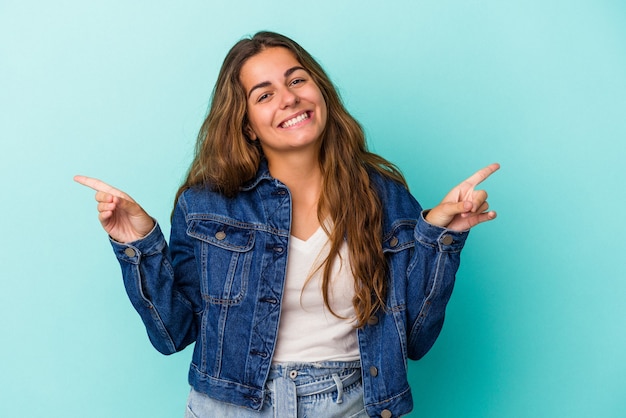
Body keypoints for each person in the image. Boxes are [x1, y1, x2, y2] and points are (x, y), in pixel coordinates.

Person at [75, 31, 499, 418]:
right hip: (229, 407)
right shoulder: (206, 204)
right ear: (247, 125)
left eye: (296, 81)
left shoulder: (384, 196)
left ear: (319, 91)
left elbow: (416, 338)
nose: (289, 98)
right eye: (264, 95)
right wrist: (139, 246)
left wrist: (441, 239)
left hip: (347, 403)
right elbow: (173, 333)